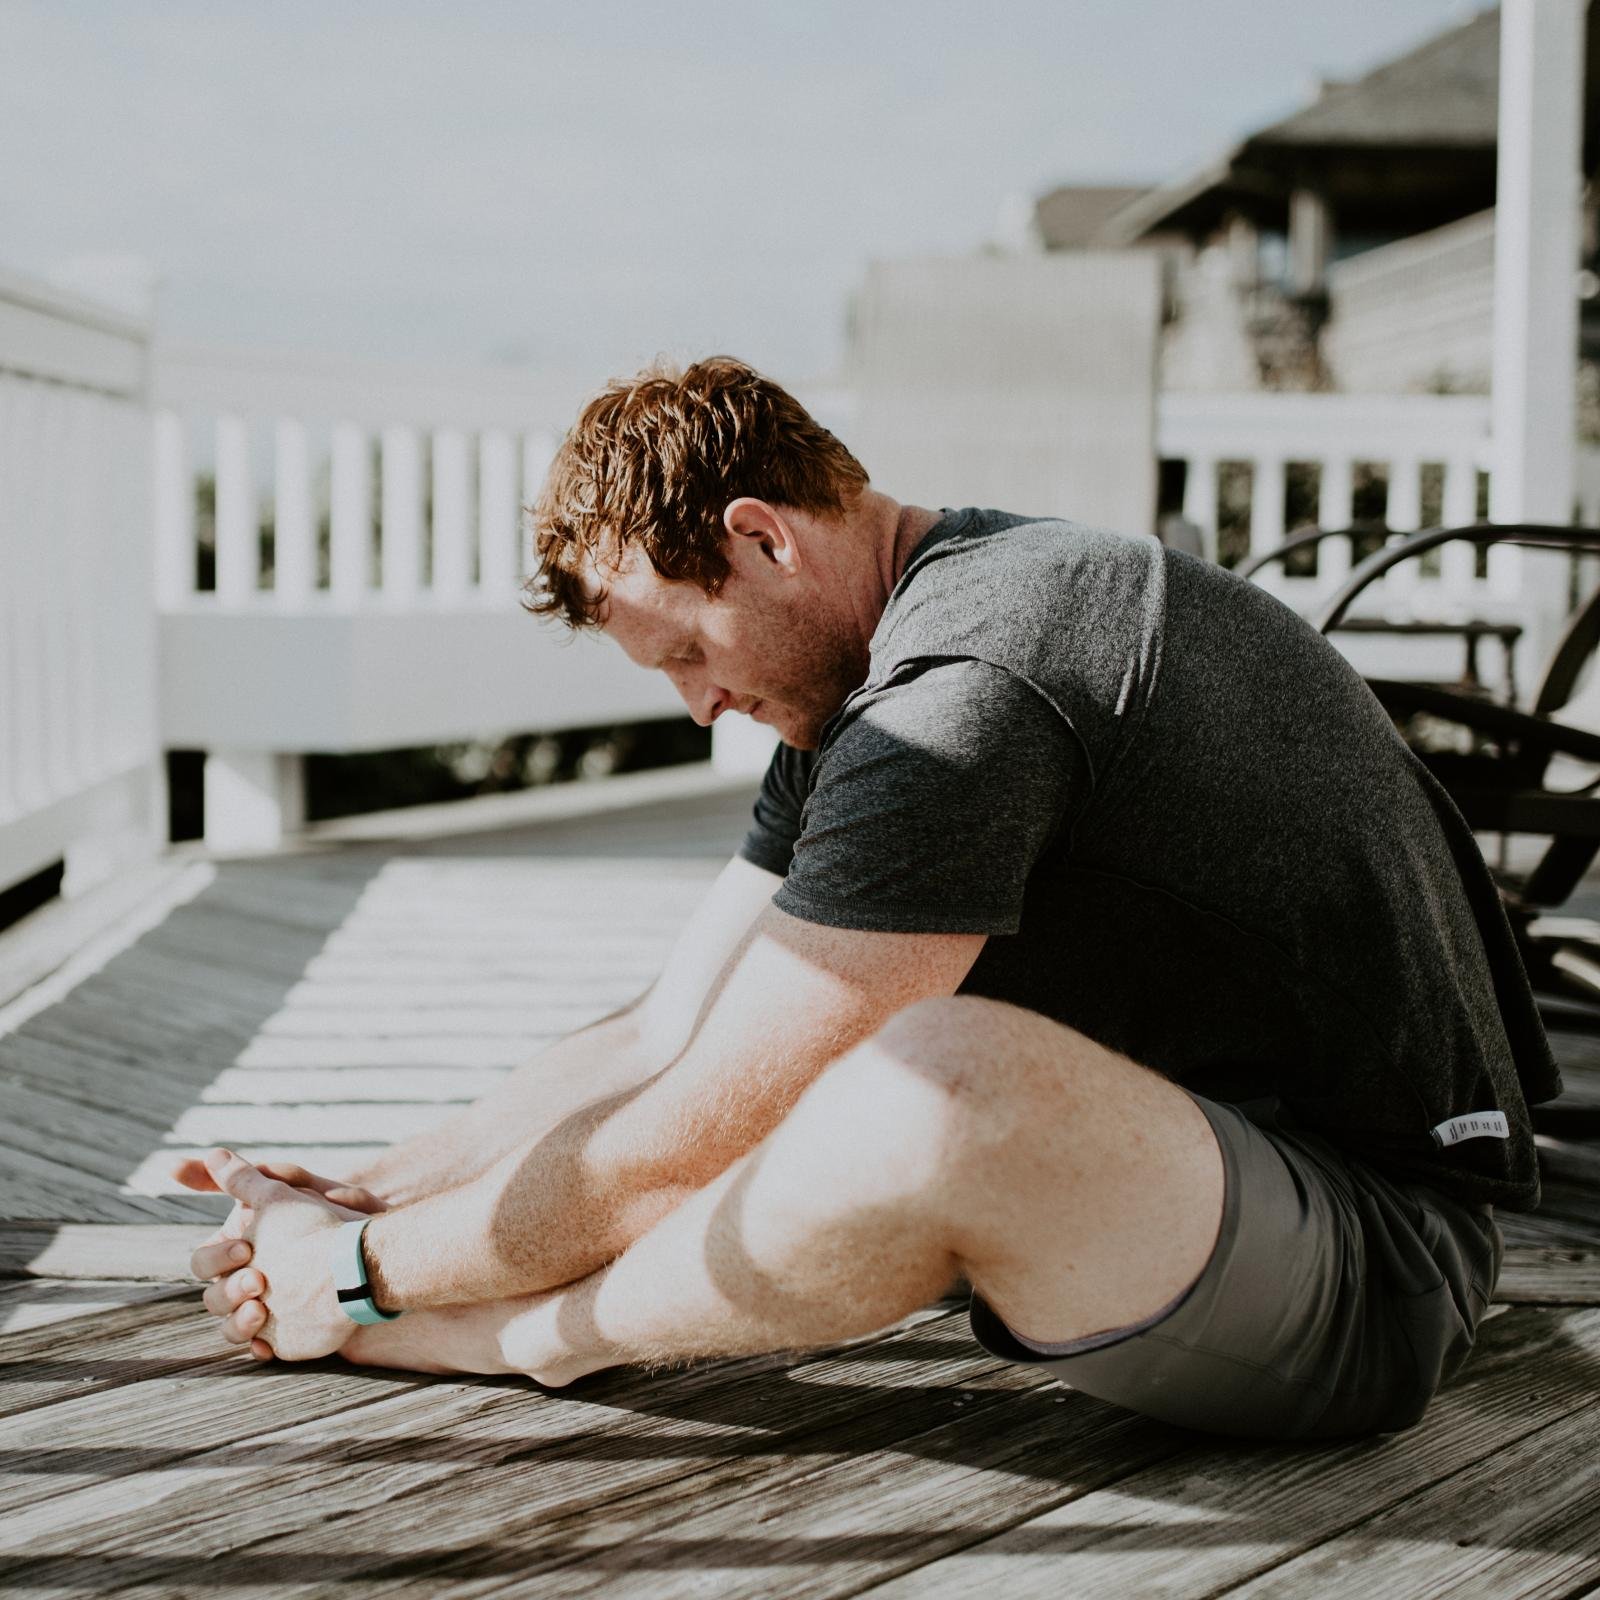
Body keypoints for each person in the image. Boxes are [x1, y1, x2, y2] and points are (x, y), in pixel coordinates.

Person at [176, 356, 1561, 1440]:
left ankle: (526, 1342)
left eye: (687, 652)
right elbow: (671, 1033)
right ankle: (456, 1299)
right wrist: (364, 1188)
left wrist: (368, 1278)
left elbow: (690, 1134)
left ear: (763, 538)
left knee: (925, 1085)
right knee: (817, 1061)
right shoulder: (866, 678)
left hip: (1372, 1262)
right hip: (1183, 1192)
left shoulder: (968, 689)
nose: (700, 704)